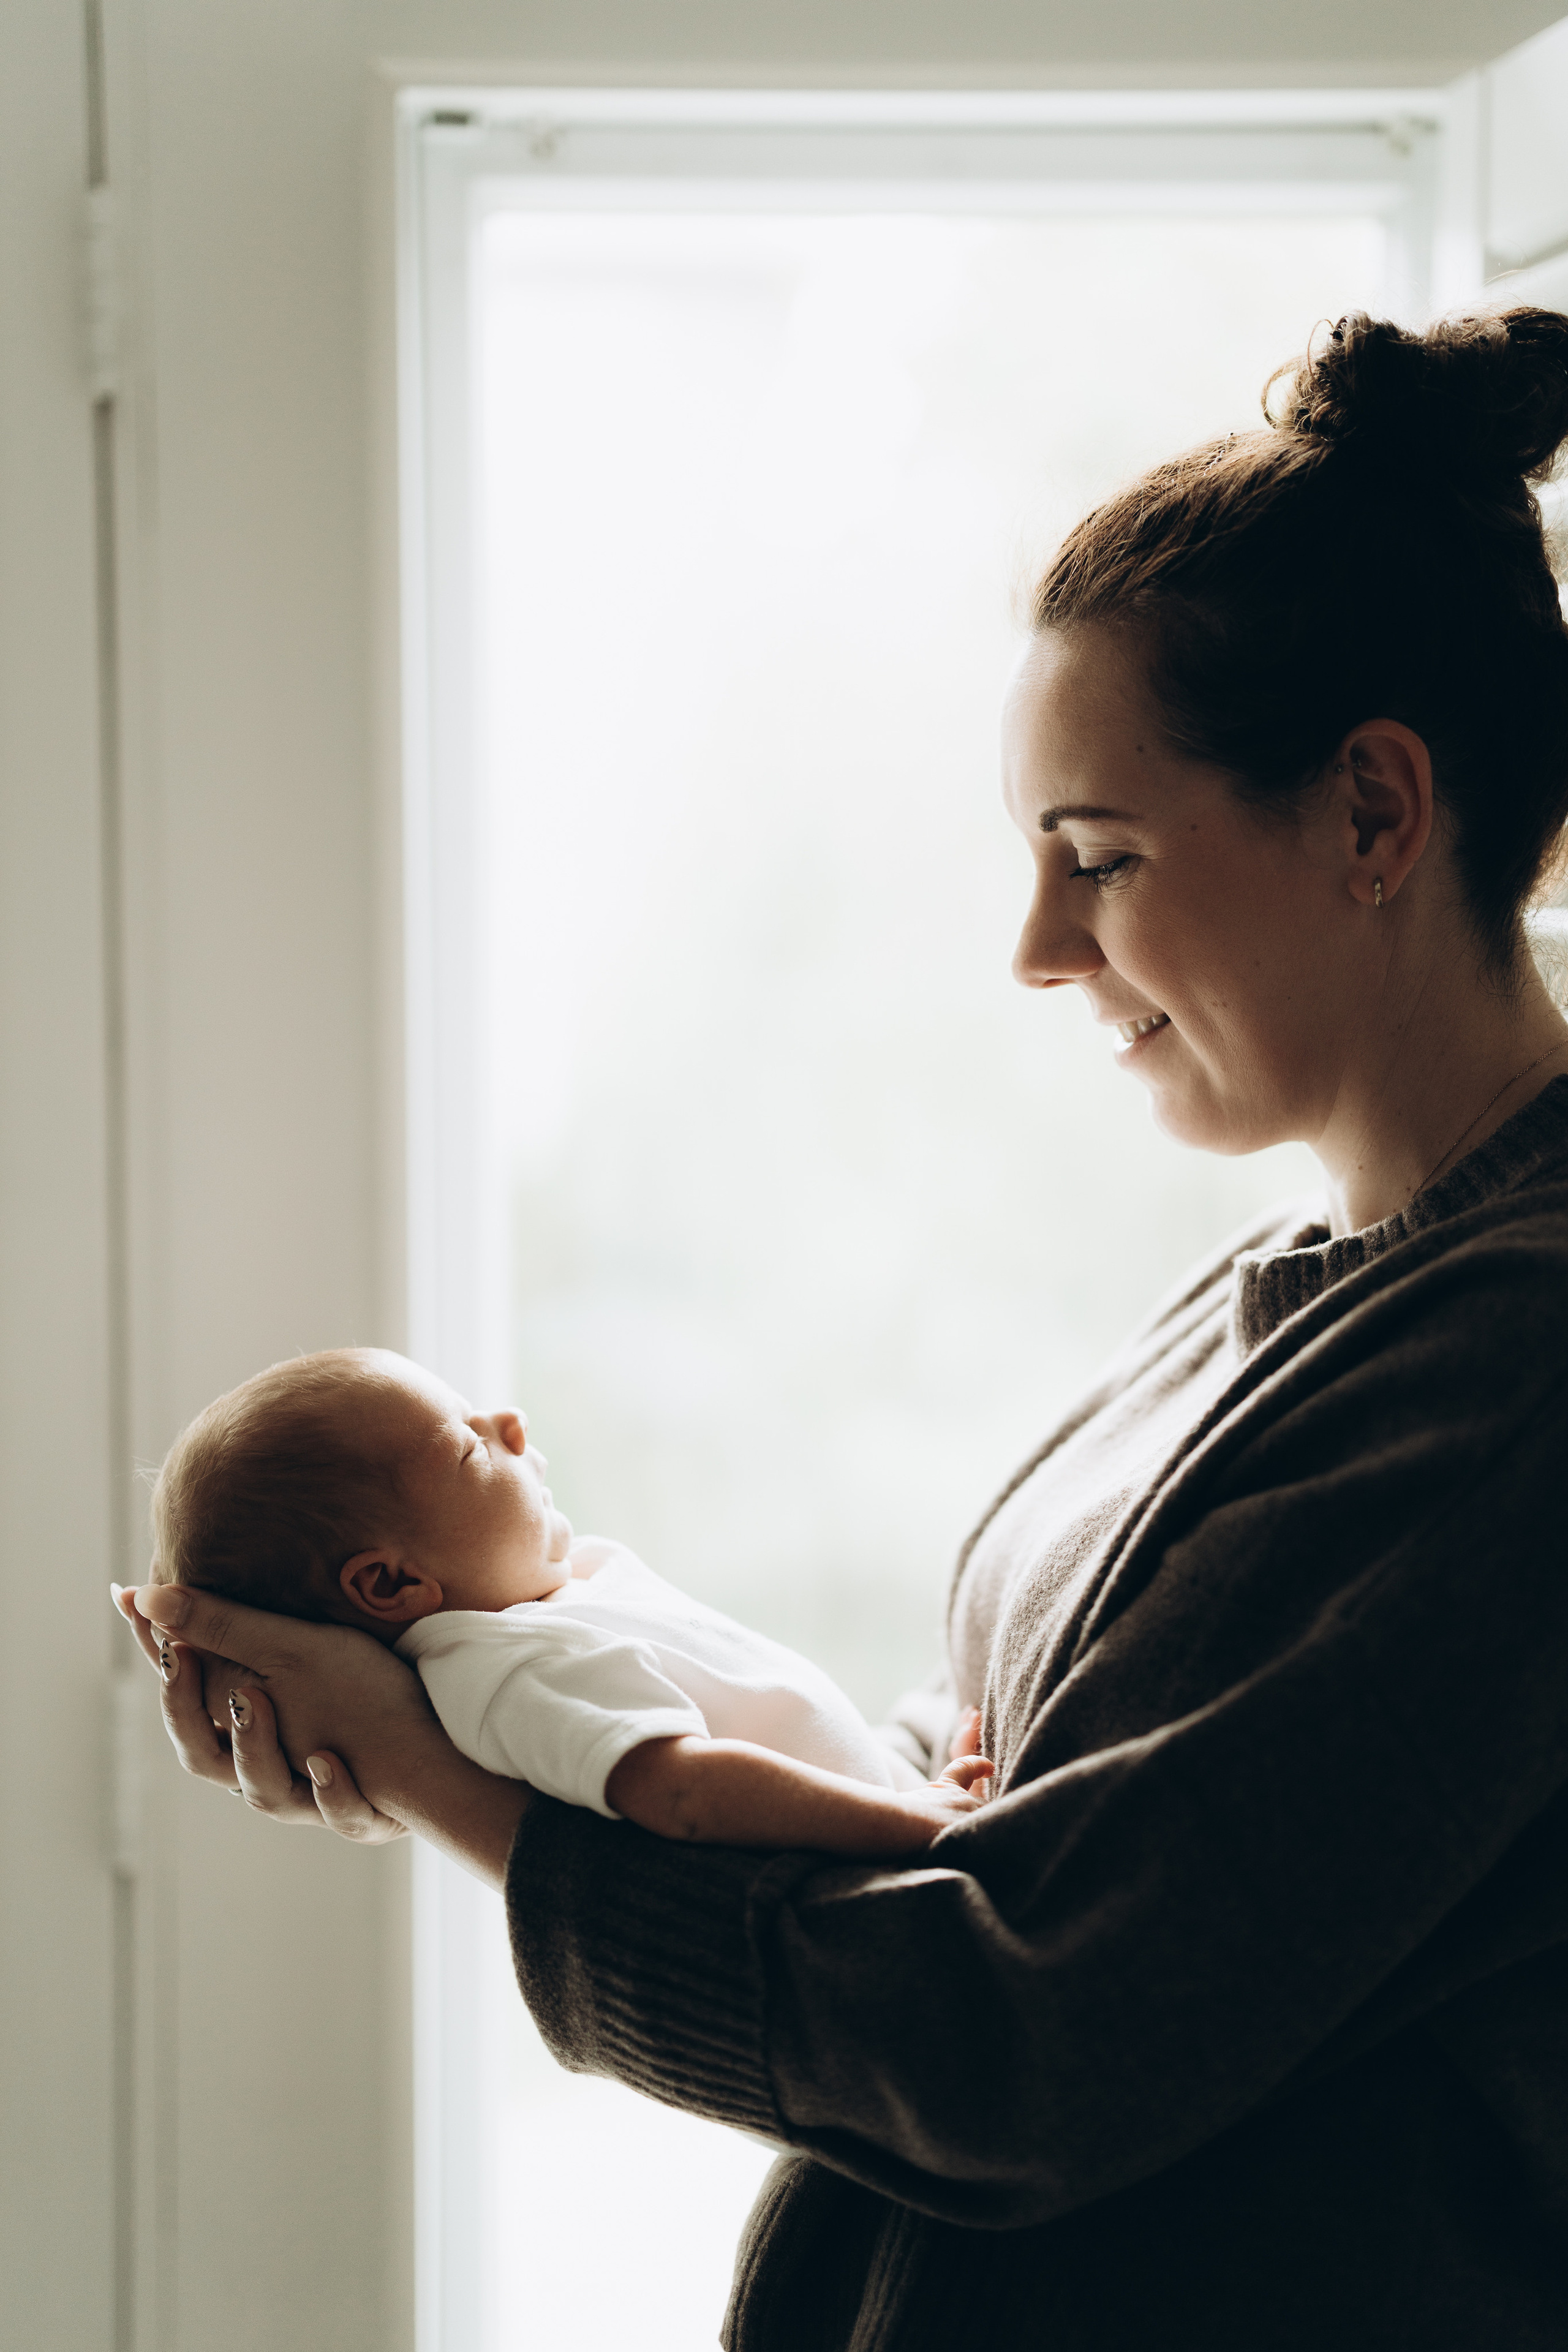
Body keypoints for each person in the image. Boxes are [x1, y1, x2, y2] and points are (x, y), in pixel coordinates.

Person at [118, 305, 1568, 2348]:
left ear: (1375, 815)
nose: (1039, 947)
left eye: (1102, 858)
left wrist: (453, 1790)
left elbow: (1024, 2031)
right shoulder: (1279, 1301)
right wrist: (543, 1676)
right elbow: (981, 1811)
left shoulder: (1518, 1371)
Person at [146, 1344, 990, 1849]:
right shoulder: (508, 1671)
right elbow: (685, 1794)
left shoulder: (546, 1612)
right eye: (469, 1449)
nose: (509, 1424)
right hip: (881, 1871)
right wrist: (914, 1823)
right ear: (392, 1583)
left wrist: (898, 1785)